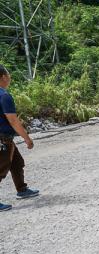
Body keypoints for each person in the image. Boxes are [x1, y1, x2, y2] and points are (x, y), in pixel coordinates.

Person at [0, 65, 39, 212]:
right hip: (3, 139)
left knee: (17, 163)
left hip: (5, 138)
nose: (9, 78)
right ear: (3, 76)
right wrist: (27, 139)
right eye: (8, 75)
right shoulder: (4, 95)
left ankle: (22, 189)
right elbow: (13, 120)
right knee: (1, 168)